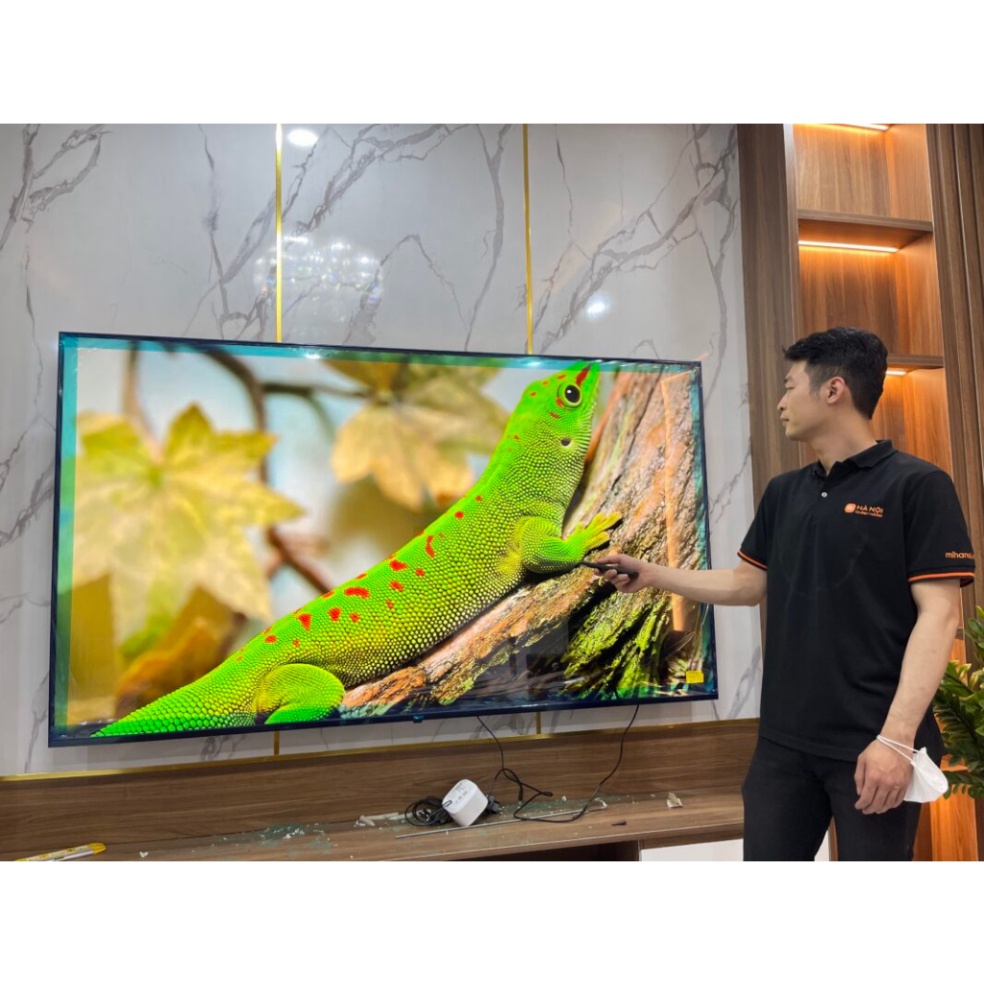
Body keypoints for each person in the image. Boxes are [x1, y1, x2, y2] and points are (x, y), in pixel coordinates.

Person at [597, 326, 975, 861]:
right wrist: (653, 574)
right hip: (783, 747)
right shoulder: (784, 492)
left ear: (834, 390)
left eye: (789, 386)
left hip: (874, 744)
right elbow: (746, 584)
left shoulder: (918, 485)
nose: (780, 402)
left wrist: (895, 739)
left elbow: (939, 616)